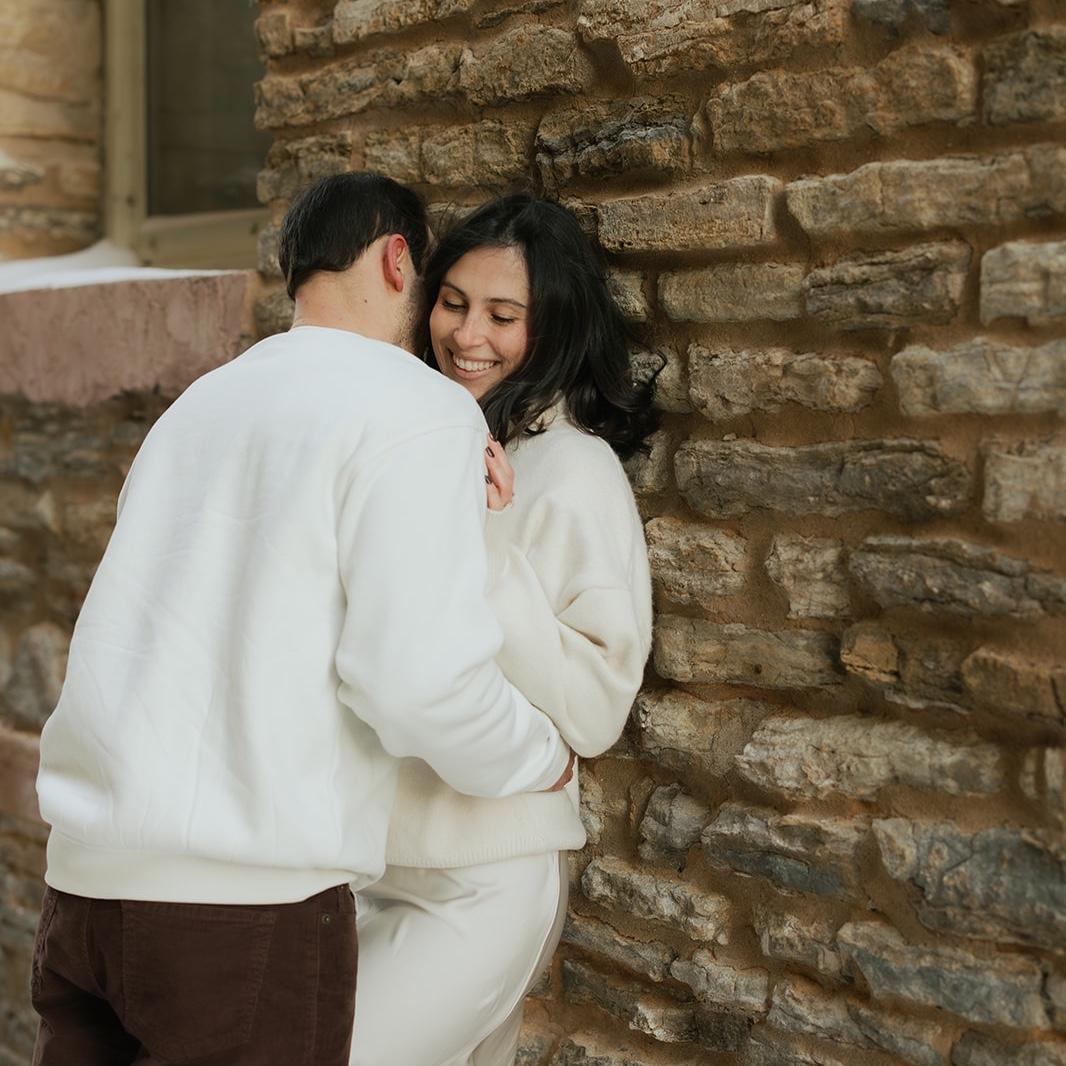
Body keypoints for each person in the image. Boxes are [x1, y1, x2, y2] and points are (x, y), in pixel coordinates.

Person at [31, 173, 573, 1066]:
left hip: (83, 895)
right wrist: (539, 757)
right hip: (239, 919)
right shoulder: (415, 406)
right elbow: (418, 680)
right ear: (398, 259)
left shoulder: (195, 407)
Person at [349, 194, 658, 1066]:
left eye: (502, 315)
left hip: (480, 879)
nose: (467, 335)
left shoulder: (575, 470)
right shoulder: (409, 445)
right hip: (363, 868)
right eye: (452, 303)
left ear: (550, 326)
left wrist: (482, 544)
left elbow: (595, 708)